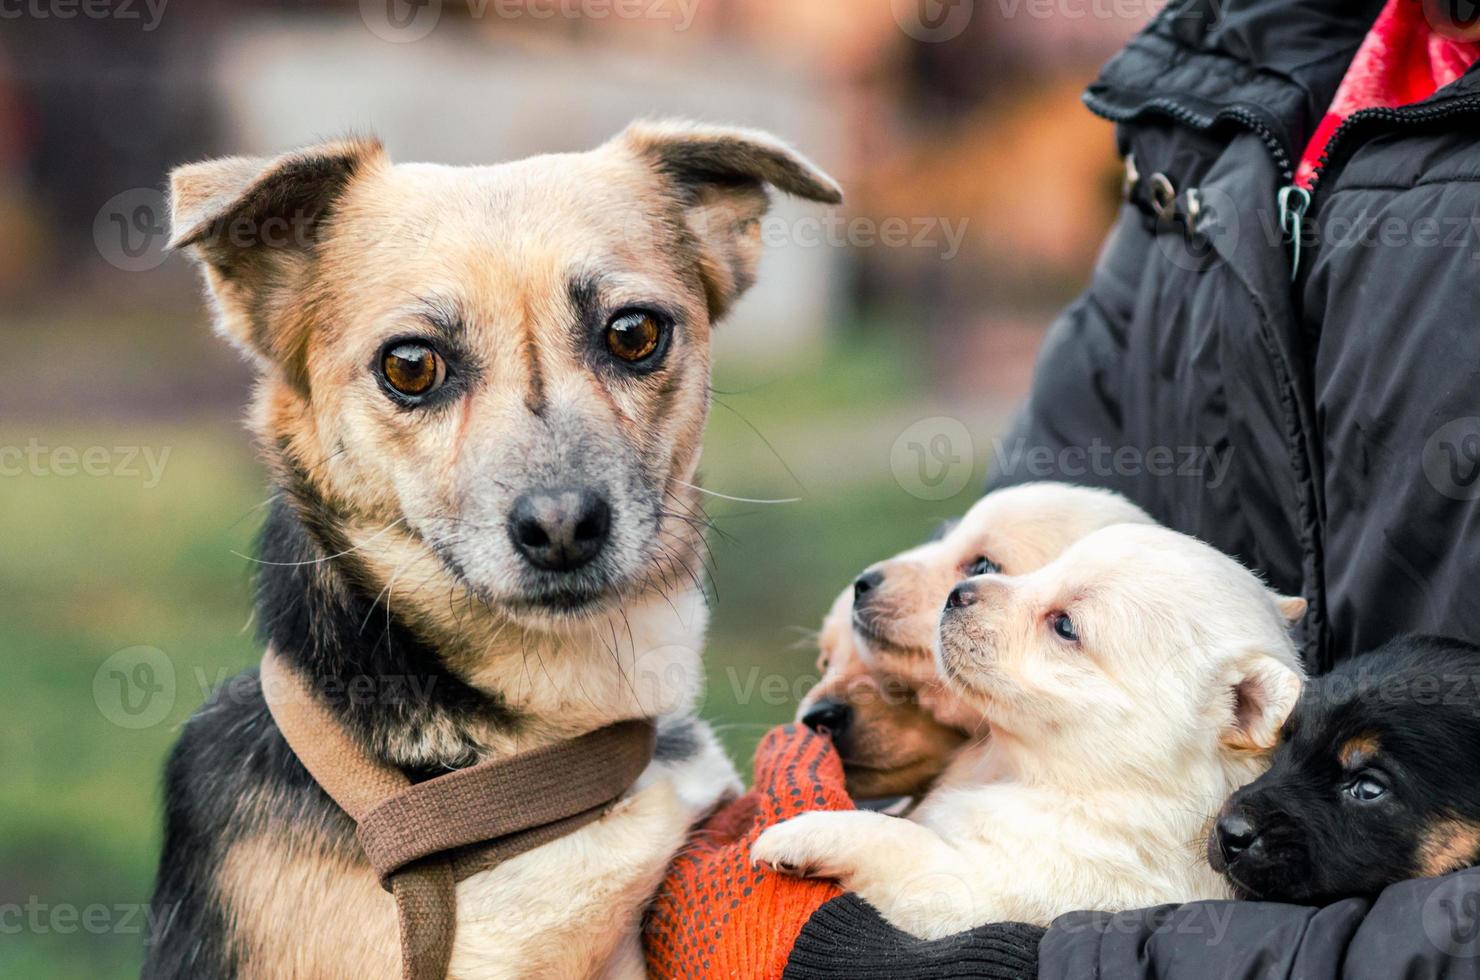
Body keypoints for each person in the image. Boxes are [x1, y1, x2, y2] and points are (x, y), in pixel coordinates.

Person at [650, 0, 1480, 976]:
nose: (964, 589)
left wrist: (983, 959)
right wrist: (911, 718)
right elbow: (1058, 497)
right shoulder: (1240, 67)